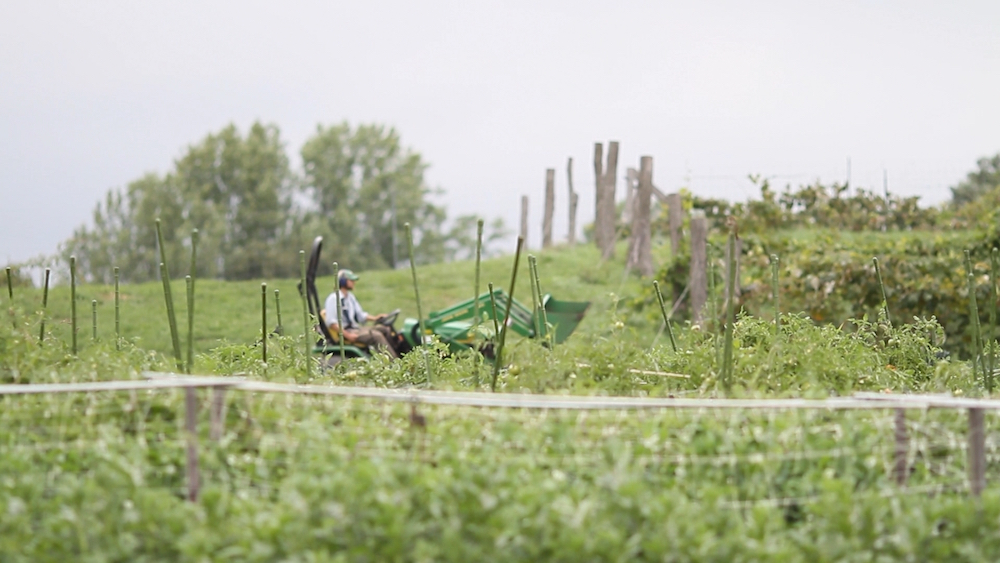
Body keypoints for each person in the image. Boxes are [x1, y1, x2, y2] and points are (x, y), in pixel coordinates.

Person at [324, 269, 399, 358]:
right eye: (351, 280)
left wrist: (375, 318)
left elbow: (361, 315)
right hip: (347, 331)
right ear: (343, 281)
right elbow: (331, 323)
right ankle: (392, 362)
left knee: (385, 329)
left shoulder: (350, 297)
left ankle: (397, 355)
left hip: (356, 329)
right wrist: (348, 335)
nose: (354, 283)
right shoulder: (333, 298)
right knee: (376, 336)